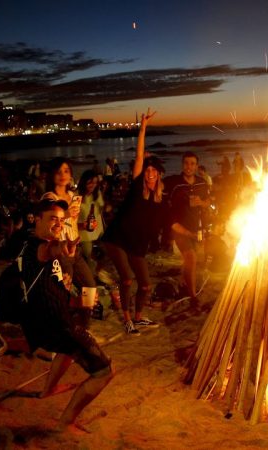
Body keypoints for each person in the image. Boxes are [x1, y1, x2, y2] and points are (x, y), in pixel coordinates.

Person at [19, 198, 113, 432]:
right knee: (103, 372)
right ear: (36, 219)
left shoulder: (29, 245)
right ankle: (66, 422)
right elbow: (50, 250)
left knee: (68, 349)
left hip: (42, 322)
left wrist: (77, 300)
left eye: (62, 220)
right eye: (53, 219)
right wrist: (61, 249)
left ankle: (47, 390)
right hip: (56, 325)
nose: (59, 224)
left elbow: (55, 282)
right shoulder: (41, 247)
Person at [101, 109, 166, 334]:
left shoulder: (159, 199)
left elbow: (156, 225)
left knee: (146, 285)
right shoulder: (137, 188)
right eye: (147, 171)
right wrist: (143, 127)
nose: (149, 174)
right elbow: (139, 157)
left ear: (159, 175)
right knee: (127, 279)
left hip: (137, 244)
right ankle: (127, 319)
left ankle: (139, 317)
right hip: (117, 237)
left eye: (153, 172)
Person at [43, 158, 98, 316]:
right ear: (52, 174)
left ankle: (84, 322)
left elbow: (71, 224)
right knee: (63, 291)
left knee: (90, 286)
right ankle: (65, 322)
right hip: (60, 250)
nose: (63, 175)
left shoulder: (72, 195)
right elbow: (49, 223)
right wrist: (66, 214)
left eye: (66, 171)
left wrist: (85, 226)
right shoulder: (49, 197)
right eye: (59, 171)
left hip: (76, 249)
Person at [164, 151, 210, 302]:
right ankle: (192, 295)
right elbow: (160, 190)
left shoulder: (202, 183)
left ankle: (184, 283)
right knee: (191, 258)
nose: (189, 167)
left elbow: (208, 202)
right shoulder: (174, 183)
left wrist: (202, 203)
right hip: (179, 229)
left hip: (197, 229)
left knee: (191, 260)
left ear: (197, 166)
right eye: (186, 163)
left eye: (192, 164)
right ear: (182, 165)